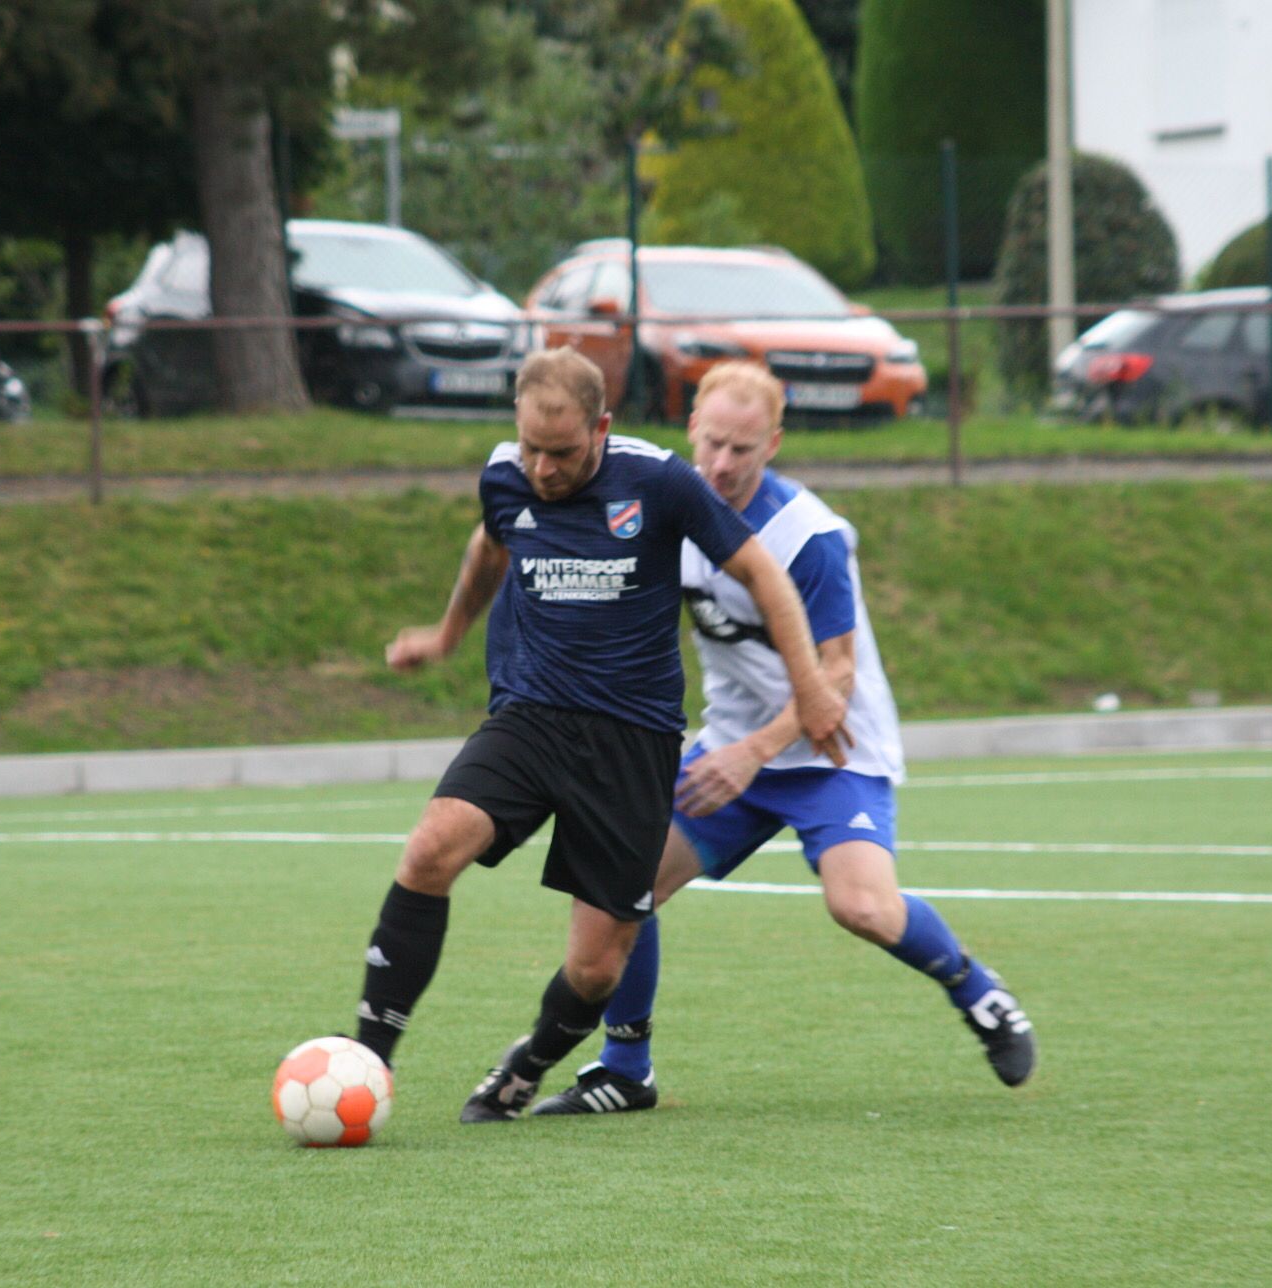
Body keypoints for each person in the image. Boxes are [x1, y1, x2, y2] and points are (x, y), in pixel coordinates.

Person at [354, 347, 849, 1123]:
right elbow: (491, 545)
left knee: (594, 970)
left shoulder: (660, 482)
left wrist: (812, 687)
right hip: (529, 717)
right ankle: (367, 1063)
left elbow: (763, 574)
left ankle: (531, 1062)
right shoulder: (506, 477)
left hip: (632, 742)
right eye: (531, 449)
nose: (543, 470)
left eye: (562, 452)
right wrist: (449, 634)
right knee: (430, 847)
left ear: (601, 428)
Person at [530, 360, 1036, 1117]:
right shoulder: (671, 508)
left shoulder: (810, 538)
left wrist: (753, 753)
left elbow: (835, 680)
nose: (724, 465)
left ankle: (977, 990)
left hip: (832, 750)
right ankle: (625, 1068)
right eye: (713, 444)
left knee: (862, 906)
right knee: (621, 877)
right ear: (691, 428)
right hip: (732, 750)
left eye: (743, 449)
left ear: (775, 443)